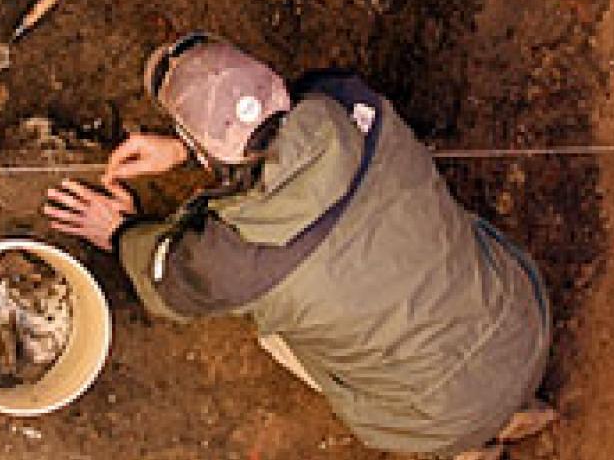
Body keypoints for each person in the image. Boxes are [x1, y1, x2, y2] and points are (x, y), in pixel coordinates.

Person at [43, 32, 555, 460]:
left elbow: (169, 284)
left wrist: (119, 233)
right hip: (525, 319)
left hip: (436, 420)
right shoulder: (353, 104)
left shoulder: (235, 262)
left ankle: (472, 445)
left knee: (275, 334)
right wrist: (187, 150)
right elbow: (298, 118)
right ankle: (510, 406)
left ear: (207, 151)